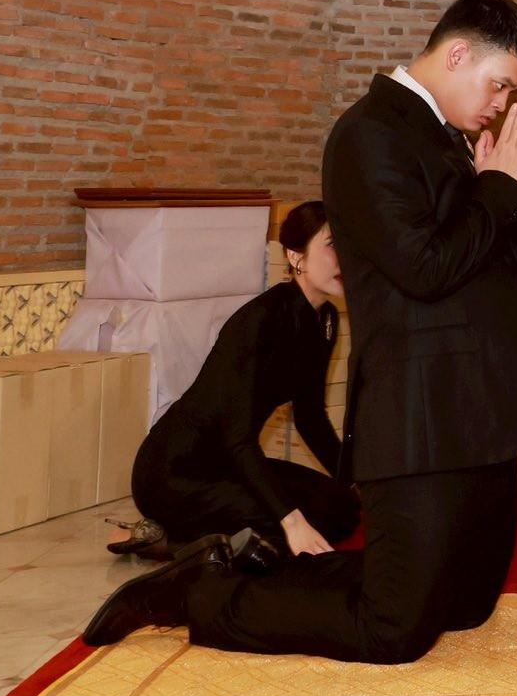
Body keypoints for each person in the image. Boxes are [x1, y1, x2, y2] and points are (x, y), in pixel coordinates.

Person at [83, 0, 517, 663]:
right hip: (421, 415)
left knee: (466, 605)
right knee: (393, 632)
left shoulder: (446, 139)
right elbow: (423, 270)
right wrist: (496, 190)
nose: (501, 105)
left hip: (476, 412)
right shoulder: (370, 134)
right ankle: (201, 592)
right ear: (456, 55)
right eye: (498, 84)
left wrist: (514, 192)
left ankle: (255, 570)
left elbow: (494, 269)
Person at [106, 201, 358, 567]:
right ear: (295, 256)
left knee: (341, 508)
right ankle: (169, 541)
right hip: (175, 473)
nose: (345, 257)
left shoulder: (326, 320)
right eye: (333, 245)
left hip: (229, 463)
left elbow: (310, 417)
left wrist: (354, 484)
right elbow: (236, 436)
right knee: (288, 533)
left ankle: (187, 533)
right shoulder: (259, 320)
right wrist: (291, 520)